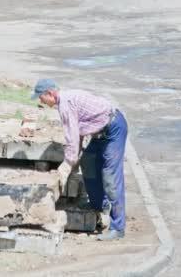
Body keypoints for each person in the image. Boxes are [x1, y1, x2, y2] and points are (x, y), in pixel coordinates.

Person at [31, 79, 128, 241]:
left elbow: (71, 137)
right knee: (88, 162)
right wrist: (77, 154)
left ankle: (118, 228)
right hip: (99, 132)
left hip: (113, 129)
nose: (40, 101)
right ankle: (98, 204)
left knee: (110, 176)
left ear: (50, 93)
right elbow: (79, 128)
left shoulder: (65, 105)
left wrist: (67, 164)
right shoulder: (66, 101)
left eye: (41, 97)